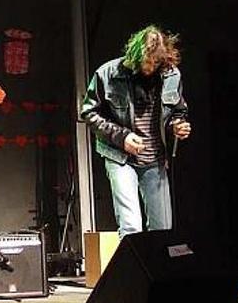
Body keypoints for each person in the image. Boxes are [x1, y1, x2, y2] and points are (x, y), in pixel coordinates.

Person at [80, 25, 191, 239]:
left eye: (155, 62)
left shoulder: (171, 75)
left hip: (155, 159)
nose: (149, 67)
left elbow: (178, 110)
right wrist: (122, 137)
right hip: (120, 157)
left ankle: (159, 273)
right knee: (131, 226)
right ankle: (132, 272)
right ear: (135, 54)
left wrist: (178, 125)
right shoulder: (108, 73)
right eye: (146, 62)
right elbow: (89, 112)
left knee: (163, 228)